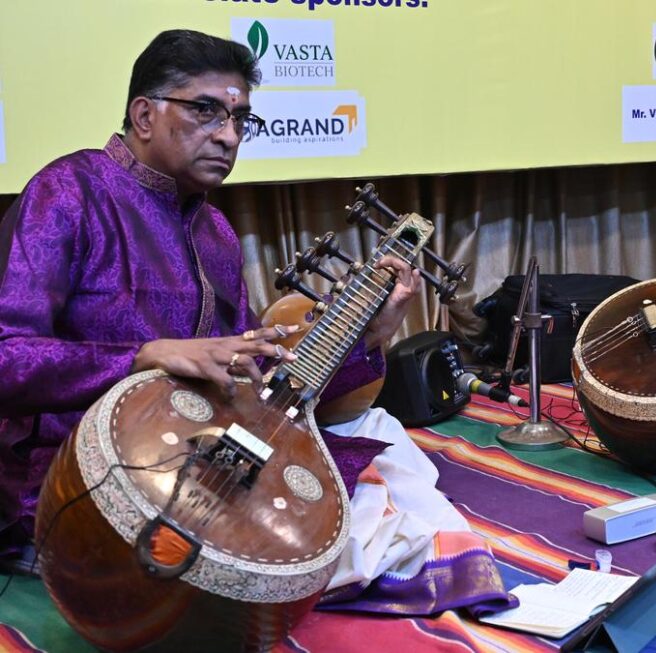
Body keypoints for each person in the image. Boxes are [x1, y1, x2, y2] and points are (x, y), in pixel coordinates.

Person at [0, 29, 508, 616]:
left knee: (385, 447)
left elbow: (260, 385)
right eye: (206, 111)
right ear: (144, 114)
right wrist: (145, 356)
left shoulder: (213, 232)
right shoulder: (69, 194)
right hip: (80, 479)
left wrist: (372, 334)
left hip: (205, 458)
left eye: (241, 118)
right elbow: (8, 358)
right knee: (349, 533)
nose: (228, 135)